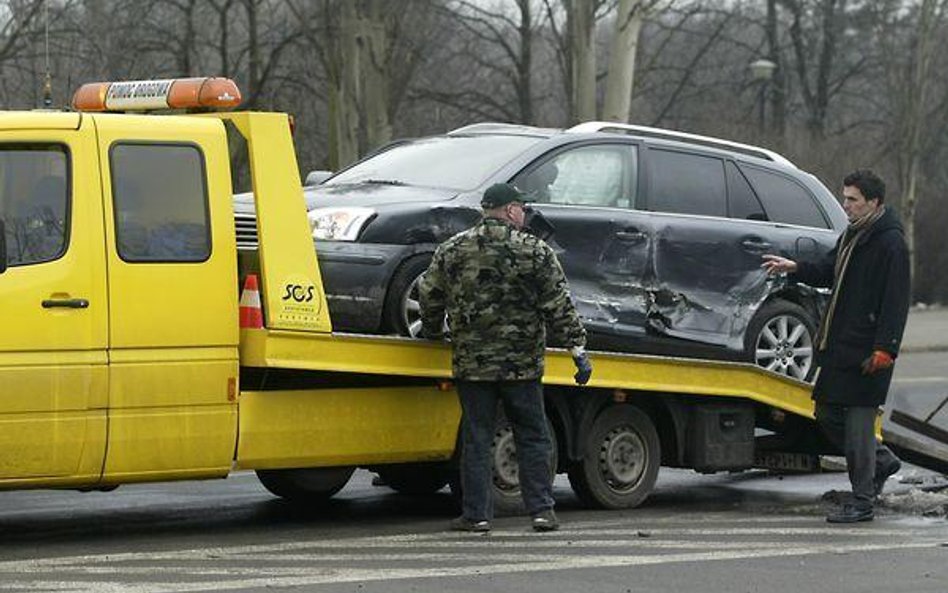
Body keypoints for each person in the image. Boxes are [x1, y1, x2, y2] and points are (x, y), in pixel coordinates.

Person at [419, 182, 592, 533]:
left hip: (473, 364)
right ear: (512, 210)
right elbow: (559, 306)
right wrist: (578, 351)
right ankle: (541, 511)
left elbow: (429, 295)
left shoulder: (452, 249)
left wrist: (434, 333)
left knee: (477, 438)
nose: (525, 215)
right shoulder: (535, 251)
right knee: (531, 435)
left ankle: (476, 515)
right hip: (522, 366)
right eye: (522, 209)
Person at [762, 169, 909, 523]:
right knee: (826, 413)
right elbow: (830, 270)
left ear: (873, 203)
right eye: (845, 198)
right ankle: (883, 461)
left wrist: (885, 349)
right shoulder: (854, 235)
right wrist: (795, 267)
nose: (846, 206)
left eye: (852, 200)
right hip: (841, 345)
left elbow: (896, 302)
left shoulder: (890, 243)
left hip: (869, 352)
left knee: (858, 429)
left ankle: (862, 502)